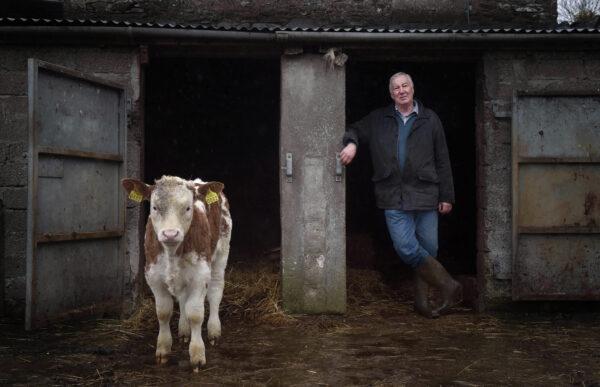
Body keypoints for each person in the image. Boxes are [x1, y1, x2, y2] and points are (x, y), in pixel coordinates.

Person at [340, 72, 462, 318]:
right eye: (396, 88)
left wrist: (447, 196)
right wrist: (352, 144)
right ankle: (449, 286)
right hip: (393, 194)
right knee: (406, 248)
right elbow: (354, 129)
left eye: (405, 85)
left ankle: (422, 303)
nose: (401, 90)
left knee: (428, 249)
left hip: (426, 194)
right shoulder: (379, 119)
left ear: (413, 89)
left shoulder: (430, 119)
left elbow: (442, 159)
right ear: (391, 93)